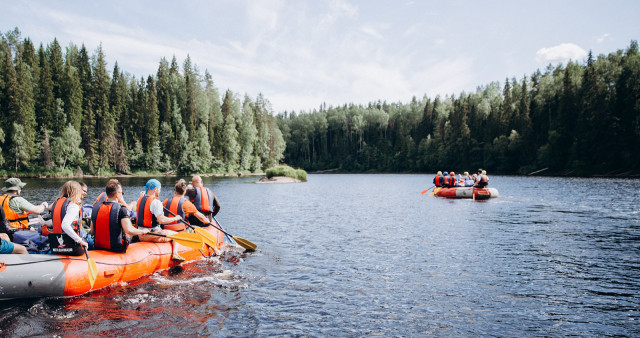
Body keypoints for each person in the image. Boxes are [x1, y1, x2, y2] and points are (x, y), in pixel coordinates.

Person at [91, 179, 149, 252]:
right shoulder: (122, 209)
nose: (122, 194)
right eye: (122, 193)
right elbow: (129, 230)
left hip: (99, 246)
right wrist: (142, 231)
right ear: (117, 195)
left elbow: (92, 231)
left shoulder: (95, 208)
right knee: (135, 235)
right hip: (117, 247)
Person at [136, 179, 186, 261]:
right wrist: (176, 218)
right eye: (159, 189)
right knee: (177, 235)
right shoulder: (155, 202)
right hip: (153, 235)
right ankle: (175, 254)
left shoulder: (139, 199)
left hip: (140, 235)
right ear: (155, 189)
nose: (160, 191)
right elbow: (162, 220)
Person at [50, 180, 88, 251]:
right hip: (72, 246)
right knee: (92, 241)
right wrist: (80, 241)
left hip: (56, 245)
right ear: (76, 192)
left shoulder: (57, 203)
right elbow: (65, 225)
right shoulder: (73, 205)